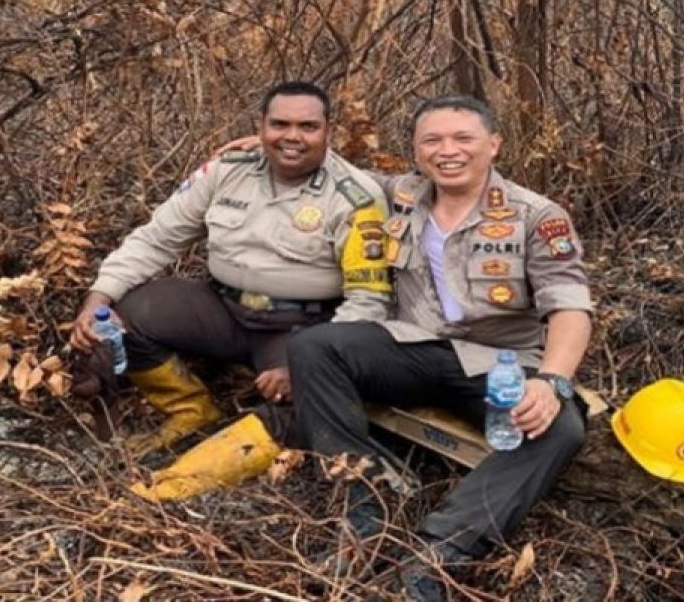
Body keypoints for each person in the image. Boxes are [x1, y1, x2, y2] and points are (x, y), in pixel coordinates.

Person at [286, 95, 593, 601]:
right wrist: (261, 144)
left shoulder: (536, 216)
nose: (448, 151)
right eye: (433, 140)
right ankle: (366, 506)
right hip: (412, 346)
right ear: (416, 150)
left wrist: (552, 381)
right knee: (315, 348)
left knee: (559, 428)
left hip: (497, 365)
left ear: (493, 145)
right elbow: (325, 162)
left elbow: (571, 308)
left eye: (463, 139)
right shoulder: (399, 194)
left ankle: (439, 552)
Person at [68, 81, 392, 492]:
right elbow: (157, 238)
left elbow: (368, 301)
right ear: (260, 125)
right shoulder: (226, 171)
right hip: (224, 309)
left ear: (329, 130)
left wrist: (308, 365)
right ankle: (191, 411)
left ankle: (176, 487)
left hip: (301, 328)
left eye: (308, 126)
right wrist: (98, 298)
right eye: (280, 124)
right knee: (128, 313)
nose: (292, 137)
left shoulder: (356, 197)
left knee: (310, 398)